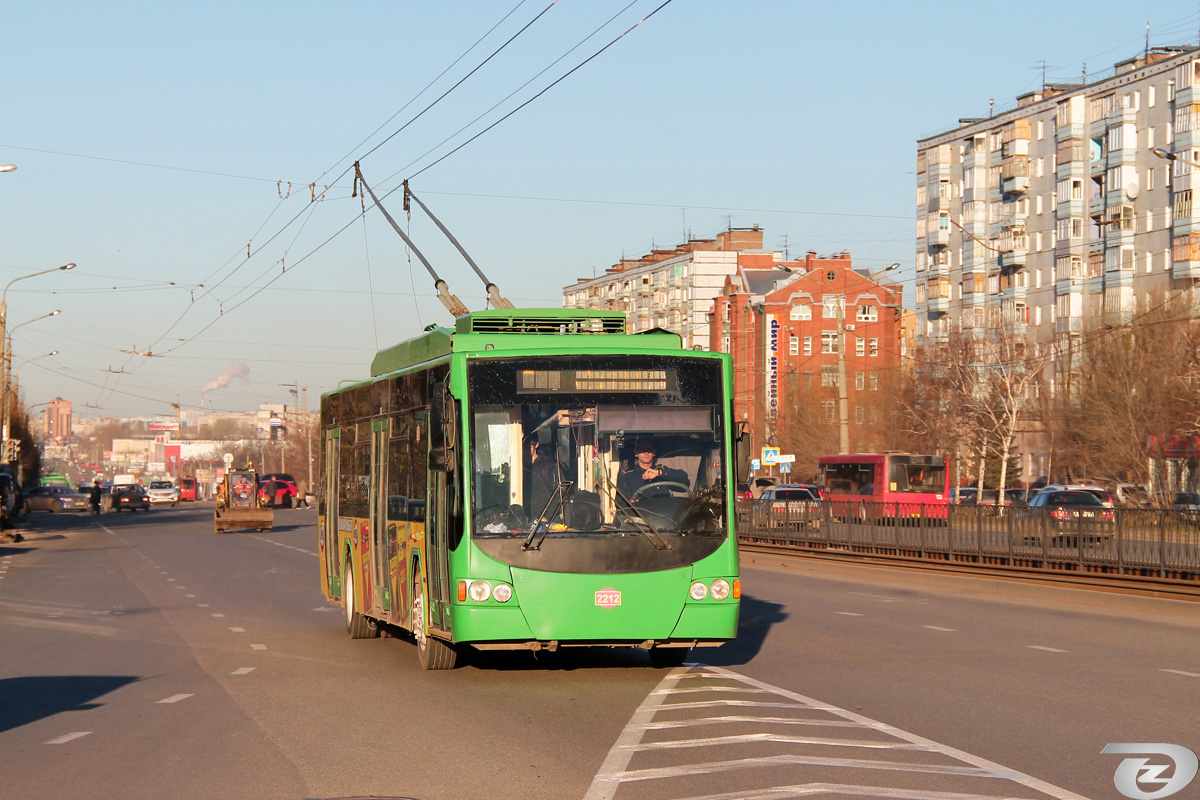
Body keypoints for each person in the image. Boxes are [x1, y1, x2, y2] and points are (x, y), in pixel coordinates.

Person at [617, 438, 688, 504]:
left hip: (665, 512)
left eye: (649, 449)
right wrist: (630, 501)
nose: (646, 452)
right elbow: (620, 499)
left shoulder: (660, 470)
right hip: (640, 514)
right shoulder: (627, 475)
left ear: (654, 452)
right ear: (636, 453)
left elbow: (683, 477)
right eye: (642, 450)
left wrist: (659, 473)